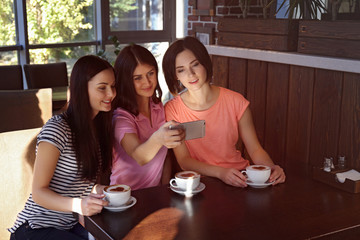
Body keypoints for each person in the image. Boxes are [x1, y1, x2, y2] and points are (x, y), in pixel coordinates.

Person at [9, 55, 116, 239]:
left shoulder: (96, 130)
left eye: (113, 87)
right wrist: (79, 205)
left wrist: (102, 191)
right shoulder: (57, 128)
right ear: (81, 89)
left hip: (67, 226)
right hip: (35, 228)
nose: (111, 94)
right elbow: (38, 193)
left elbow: (80, 184)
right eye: (102, 88)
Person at [162, 36, 286, 187]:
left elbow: (255, 150)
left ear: (205, 63)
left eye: (195, 65)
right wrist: (220, 173)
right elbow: (184, 161)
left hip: (239, 178)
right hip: (199, 184)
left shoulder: (236, 101)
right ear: (176, 76)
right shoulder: (172, 109)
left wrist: (271, 169)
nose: (191, 74)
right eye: (181, 70)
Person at [110, 44, 184, 190]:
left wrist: (163, 188)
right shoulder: (121, 117)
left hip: (154, 193)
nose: (147, 82)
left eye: (150, 73)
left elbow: (166, 156)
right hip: (124, 197)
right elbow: (140, 156)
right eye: (138, 78)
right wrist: (158, 137)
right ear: (126, 81)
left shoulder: (159, 108)